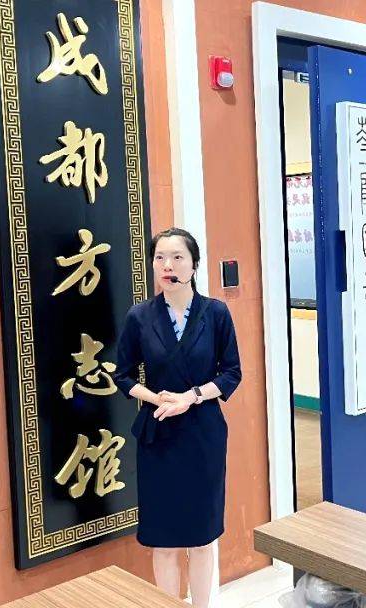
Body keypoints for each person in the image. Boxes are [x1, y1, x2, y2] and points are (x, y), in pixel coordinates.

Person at [114, 228, 241, 607]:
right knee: (164, 540)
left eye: (177, 257)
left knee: (201, 539)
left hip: (203, 435)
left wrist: (191, 396)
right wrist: (155, 398)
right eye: (160, 258)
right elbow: (122, 376)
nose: (167, 265)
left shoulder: (215, 313)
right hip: (159, 437)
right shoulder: (140, 317)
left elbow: (231, 373)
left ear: (194, 265)